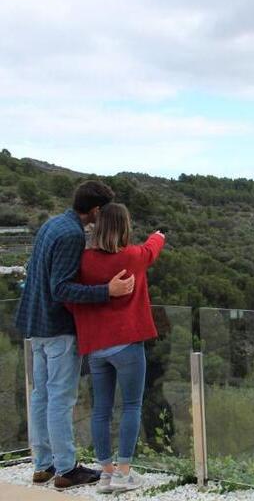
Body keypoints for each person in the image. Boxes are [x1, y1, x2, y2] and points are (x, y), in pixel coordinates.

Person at [14, 181, 135, 490]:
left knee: (41, 396)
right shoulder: (71, 235)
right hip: (58, 327)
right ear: (95, 210)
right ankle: (67, 470)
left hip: (36, 323)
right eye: (103, 211)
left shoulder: (52, 224)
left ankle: (43, 465)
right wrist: (107, 290)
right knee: (60, 398)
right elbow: (61, 288)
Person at [68, 203, 165, 493]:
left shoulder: (85, 261)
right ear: (124, 227)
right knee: (132, 406)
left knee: (101, 408)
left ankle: (106, 473)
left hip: (97, 347)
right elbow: (151, 250)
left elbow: (70, 294)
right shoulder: (132, 256)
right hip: (127, 345)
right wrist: (159, 235)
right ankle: (123, 473)